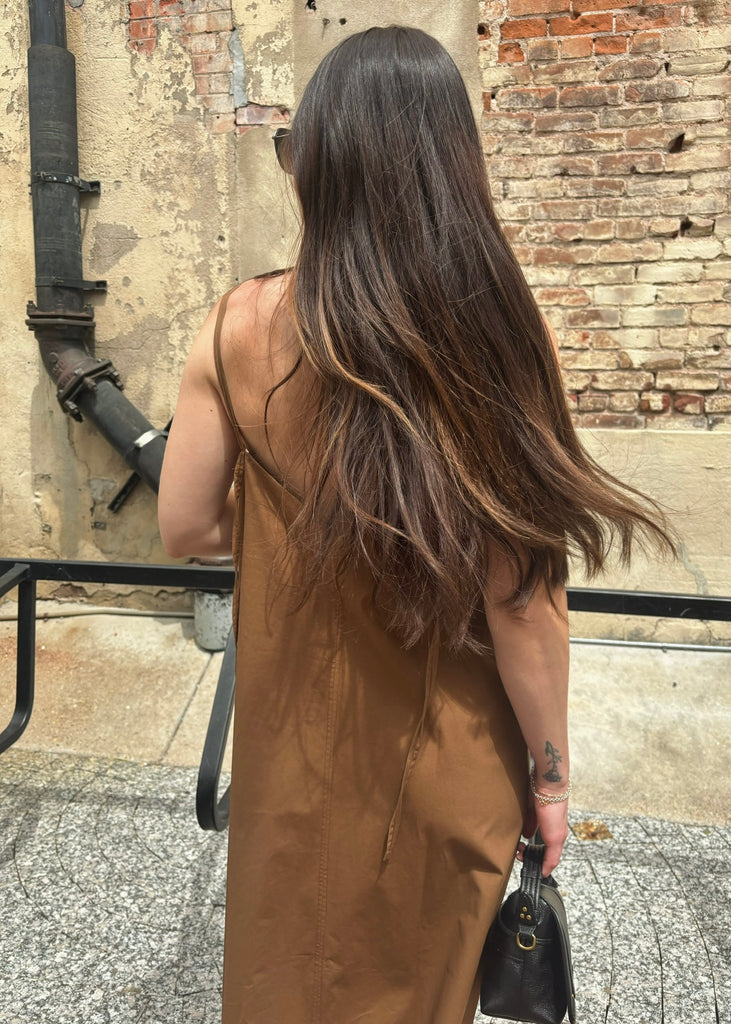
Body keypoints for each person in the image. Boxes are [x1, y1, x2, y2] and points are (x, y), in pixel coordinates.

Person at [158, 26, 673, 1024]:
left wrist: (307, 529)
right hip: (445, 763)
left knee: (286, 983)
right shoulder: (498, 335)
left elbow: (185, 527)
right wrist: (550, 781)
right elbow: (520, 605)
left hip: (295, 758)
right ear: (452, 164)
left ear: (319, 164)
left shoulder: (236, 326)